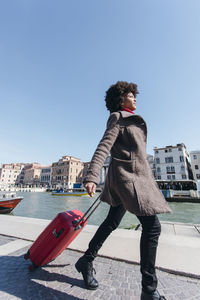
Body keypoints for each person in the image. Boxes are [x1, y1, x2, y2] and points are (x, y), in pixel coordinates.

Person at [75, 81, 171, 300]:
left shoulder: (131, 120)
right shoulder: (118, 118)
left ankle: (86, 260)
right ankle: (149, 290)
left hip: (128, 180)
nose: (135, 98)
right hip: (128, 181)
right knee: (152, 227)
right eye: (130, 95)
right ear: (120, 99)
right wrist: (91, 176)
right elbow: (103, 147)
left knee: (112, 222)